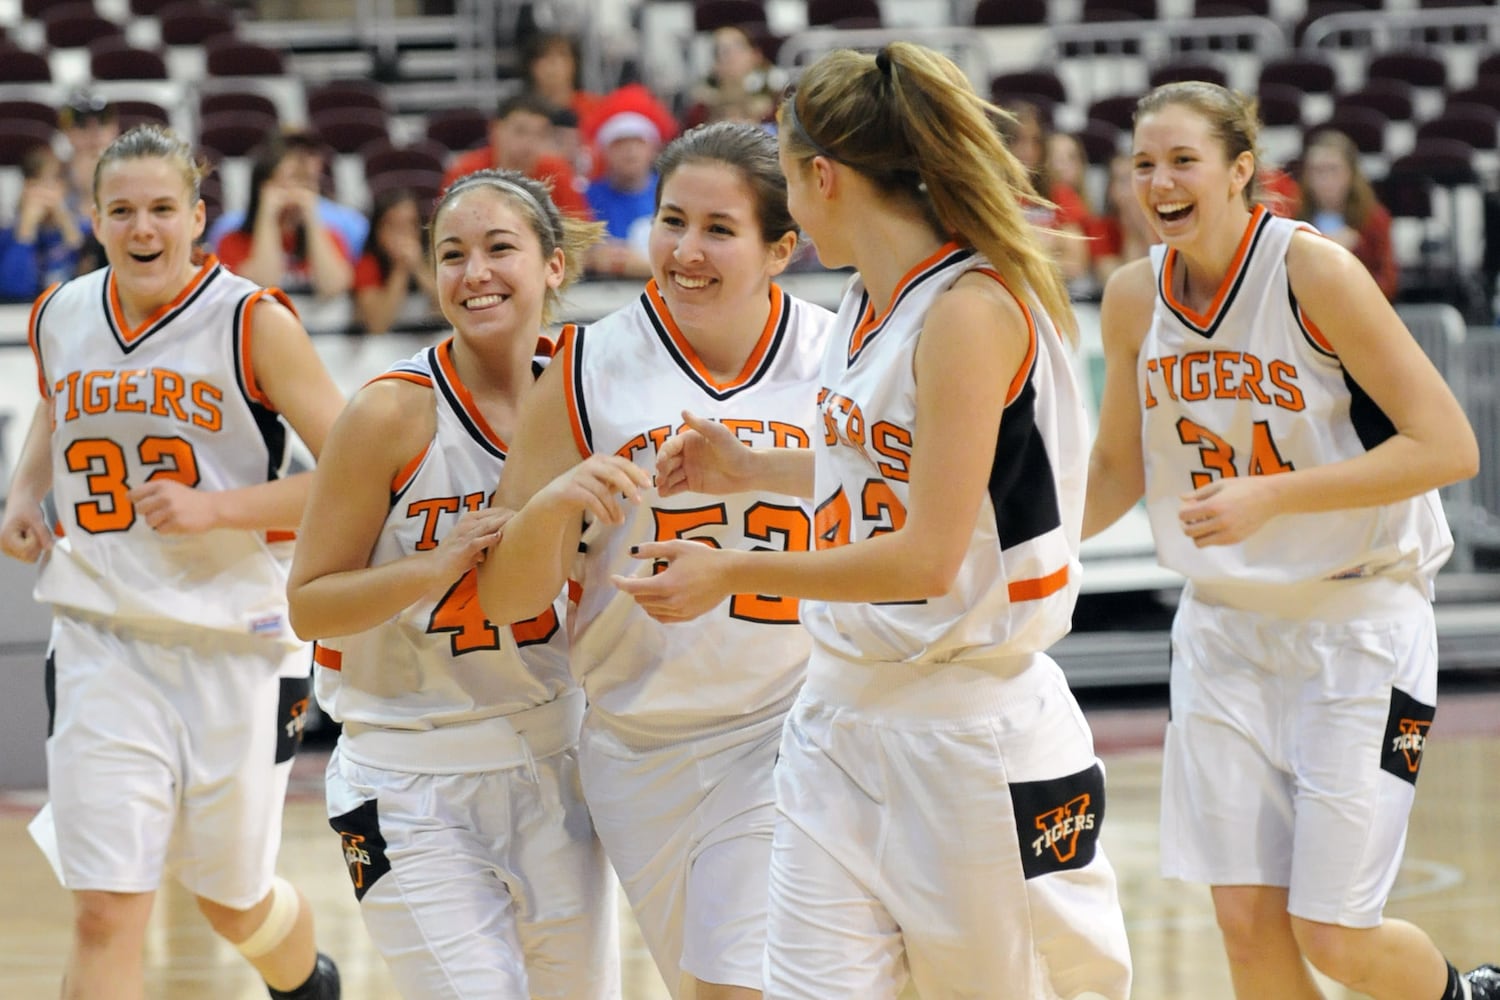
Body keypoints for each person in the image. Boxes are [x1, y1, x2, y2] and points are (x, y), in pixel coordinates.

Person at [610, 44, 1134, 1000]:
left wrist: (731, 571)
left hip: (970, 730)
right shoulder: (864, 296)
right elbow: (886, 469)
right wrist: (749, 470)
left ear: (823, 176)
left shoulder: (972, 309)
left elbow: (930, 555)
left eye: (788, 176)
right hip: (841, 717)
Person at [1083, 80, 1497, 1000]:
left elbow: (1449, 446)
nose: (1158, 183)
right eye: (1143, 164)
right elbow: (1116, 469)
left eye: (1183, 161)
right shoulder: (1130, 297)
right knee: (1244, 925)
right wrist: (1002, 555)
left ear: (1242, 173)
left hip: (1358, 625)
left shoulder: (1314, 272)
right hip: (1225, 632)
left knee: (1334, 933)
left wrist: (1276, 496)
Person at [476, 121, 834, 1000]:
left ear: (781, 247)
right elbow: (504, 597)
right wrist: (559, 505)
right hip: (642, 739)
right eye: (672, 220)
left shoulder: (842, 354)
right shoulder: (587, 362)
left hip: (797, 722)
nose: (686, 250)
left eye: (720, 229)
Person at [0, 125, 345, 1000]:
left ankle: (306, 983)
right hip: (101, 635)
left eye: (162, 209)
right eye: (122, 210)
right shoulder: (60, 312)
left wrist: (220, 508)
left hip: (239, 642)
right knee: (107, 909)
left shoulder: (252, 321)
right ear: (96, 218)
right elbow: (53, 405)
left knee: (230, 901)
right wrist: (21, 493)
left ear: (196, 218)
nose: (142, 228)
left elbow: (357, 478)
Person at [284, 169, 618, 999]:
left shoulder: (594, 390)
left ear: (552, 266)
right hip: (406, 778)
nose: (475, 274)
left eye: (499, 248)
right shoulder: (391, 413)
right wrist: (432, 568)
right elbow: (308, 600)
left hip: (557, 760)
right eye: (452, 254)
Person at [217, 133, 357, 300]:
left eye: (306, 182)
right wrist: (268, 214)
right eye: (291, 179)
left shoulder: (332, 237)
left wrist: (311, 216)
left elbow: (333, 287)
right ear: (263, 186)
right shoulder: (232, 241)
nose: (298, 190)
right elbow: (263, 284)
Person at [207, 130, 369, 260]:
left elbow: (337, 287)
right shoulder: (229, 227)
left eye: (311, 153)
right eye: (293, 151)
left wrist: (310, 215)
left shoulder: (350, 223)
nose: (307, 162)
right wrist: (268, 214)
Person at [442, 93, 591, 220]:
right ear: (495, 129)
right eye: (520, 131)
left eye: (540, 134)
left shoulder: (556, 172)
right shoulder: (465, 174)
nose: (529, 143)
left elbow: (581, 234)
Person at [1298, 128, 1400, 300]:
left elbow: (1388, 284)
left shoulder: (1374, 219)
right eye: (1317, 171)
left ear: (1350, 174)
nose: (1325, 180)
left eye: (1333, 170)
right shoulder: (1293, 218)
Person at [1001, 100, 1092, 288]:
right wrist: (1048, 245)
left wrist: (1021, 250)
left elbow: (1075, 264)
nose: (1028, 150)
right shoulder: (987, 197)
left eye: (1035, 140)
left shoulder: (1059, 194)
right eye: (1017, 139)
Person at [0, 144, 89, 302]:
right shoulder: (8, 237)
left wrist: (66, 224)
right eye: (37, 185)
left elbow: (90, 280)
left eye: (51, 185)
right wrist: (25, 232)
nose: (44, 195)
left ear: (65, 188)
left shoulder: (86, 230)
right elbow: (14, 290)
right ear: (25, 188)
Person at [351, 188, 441, 334]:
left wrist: (418, 268)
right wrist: (400, 271)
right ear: (377, 230)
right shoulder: (366, 265)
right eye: (393, 225)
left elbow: (449, 311)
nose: (403, 234)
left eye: (410, 224)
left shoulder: (433, 258)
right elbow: (378, 325)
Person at [584, 109, 662, 279]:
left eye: (638, 143)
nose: (630, 150)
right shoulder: (586, 196)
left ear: (653, 150)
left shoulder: (672, 192)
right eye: (619, 143)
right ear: (604, 152)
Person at [681, 25, 782, 130]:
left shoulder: (777, 105)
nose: (730, 56)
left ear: (756, 55)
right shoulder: (700, 110)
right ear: (714, 63)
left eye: (738, 47)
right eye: (721, 50)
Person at [1091, 150, 1157, 288]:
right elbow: (1115, 281)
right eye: (1124, 180)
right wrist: (1131, 232)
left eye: (1138, 179)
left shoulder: (1164, 225)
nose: (1133, 188)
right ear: (1111, 190)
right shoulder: (1100, 228)